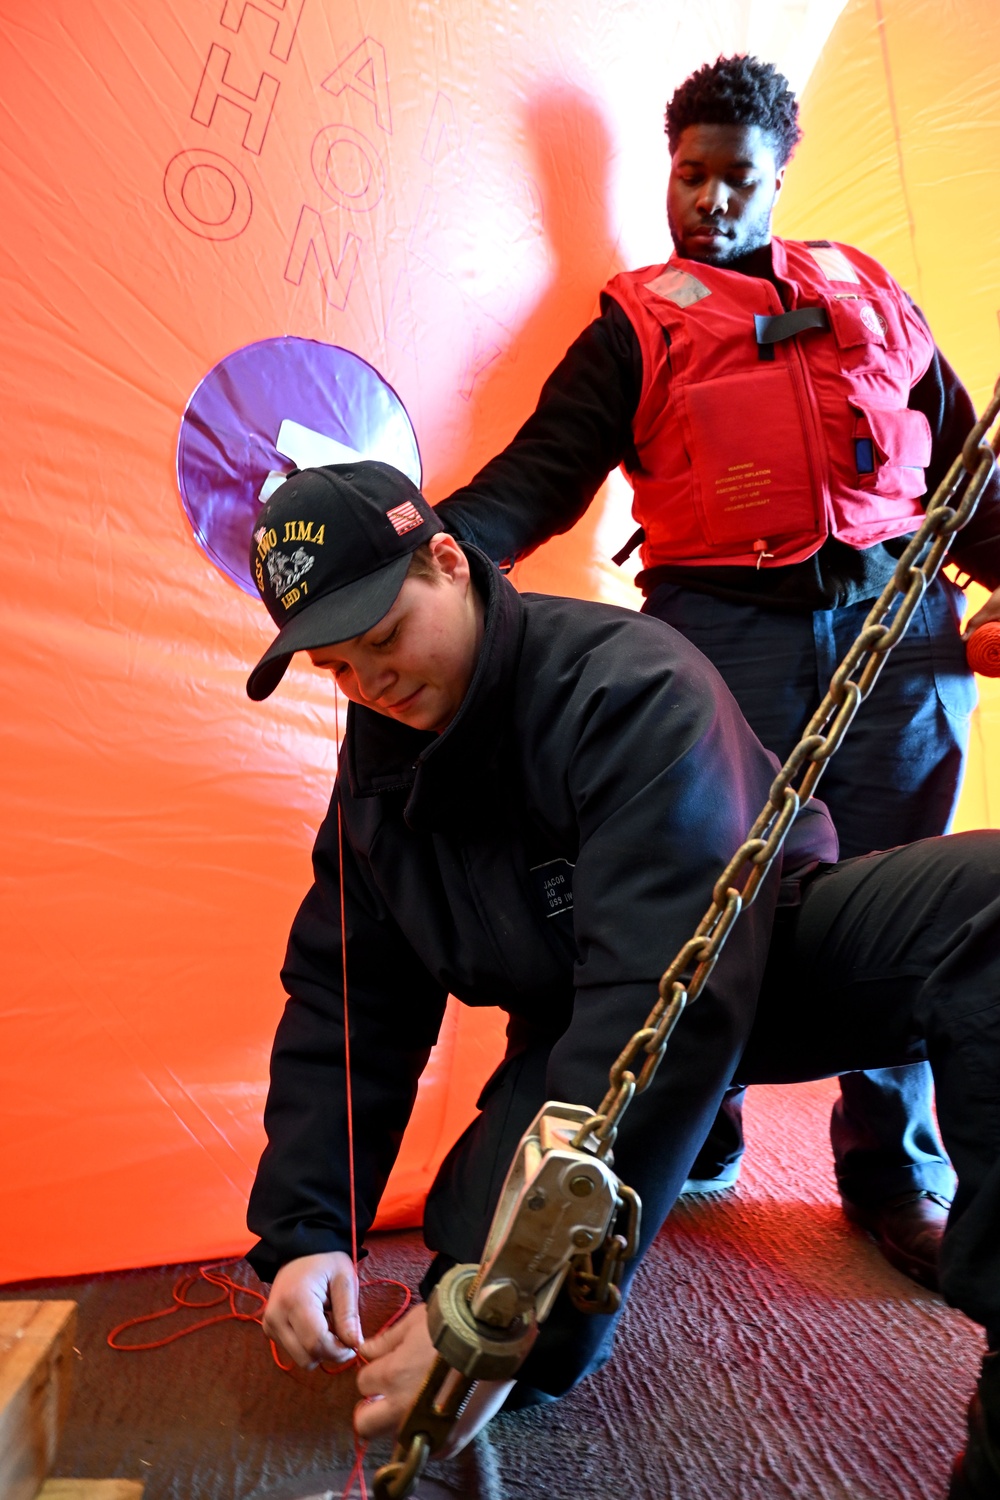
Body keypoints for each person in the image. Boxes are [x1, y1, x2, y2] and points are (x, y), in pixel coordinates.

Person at [243, 460, 999, 1499]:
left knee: (993, 905)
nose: (371, 684)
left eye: (383, 638)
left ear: (449, 561)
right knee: (463, 1274)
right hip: (570, 1026)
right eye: (336, 667)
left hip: (770, 954)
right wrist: (309, 1229)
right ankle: (642, 1170)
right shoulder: (376, 777)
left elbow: (660, 994)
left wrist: (504, 1315)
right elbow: (347, 1003)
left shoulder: (628, 682)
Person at [433, 54, 1000, 1290]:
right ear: (667, 174)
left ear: (778, 176)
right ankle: (701, 1122)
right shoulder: (632, 324)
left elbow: (962, 472)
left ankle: (894, 1173)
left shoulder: (869, 294)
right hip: (716, 644)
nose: (712, 202)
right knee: (718, 899)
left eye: (738, 178)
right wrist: (434, 551)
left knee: (908, 897)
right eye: (690, 176)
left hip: (899, 641)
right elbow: (537, 475)